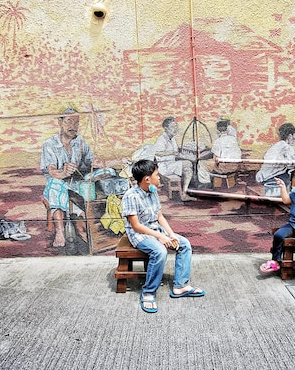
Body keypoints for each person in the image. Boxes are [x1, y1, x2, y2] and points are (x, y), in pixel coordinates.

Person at [121, 159, 205, 313]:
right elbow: (136, 226)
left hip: (155, 228)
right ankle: (148, 292)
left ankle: (180, 286)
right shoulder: (130, 196)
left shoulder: (152, 191)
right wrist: (161, 238)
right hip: (140, 234)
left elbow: (160, 217)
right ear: (147, 178)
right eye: (157, 175)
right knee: (160, 251)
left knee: (184, 244)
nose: (159, 178)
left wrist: (171, 235)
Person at [40, 107, 105, 248]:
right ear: (60, 122)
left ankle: (91, 228)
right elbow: (51, 171)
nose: (73, 126)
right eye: (69, 121)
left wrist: (108, 163)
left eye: (76, 123)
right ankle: (60, 231)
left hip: (76, 185)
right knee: (56, 184)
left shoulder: (81, 142)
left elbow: (92, 162)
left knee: (97, 182)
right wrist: (64, 172)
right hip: (56, 186)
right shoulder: (50, 144)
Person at [153, 117, 195, 201]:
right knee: (188, 164)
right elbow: (157, 152)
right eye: (173, 127)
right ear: (166, 128)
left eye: (176, 126)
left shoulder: (172, 139)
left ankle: (184, 193)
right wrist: (171, 153)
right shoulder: (162, 139)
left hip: (171, 164)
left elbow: (176, 152)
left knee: (188, 170)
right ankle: (184, 193)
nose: (175, 129)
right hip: (164, 166)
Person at [197, 118, 242, 187]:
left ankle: (205, 185)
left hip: (225, 168)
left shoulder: (218, 141)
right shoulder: (233, 139)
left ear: (218, 131)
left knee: (202, 163)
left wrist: (200, 157)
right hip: (235, 166)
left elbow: (215, 157)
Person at [255, 122, 295, 188]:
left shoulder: (277, 145)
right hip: (270, 179)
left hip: (262, 176)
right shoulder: (286, 147)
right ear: (290, 136)